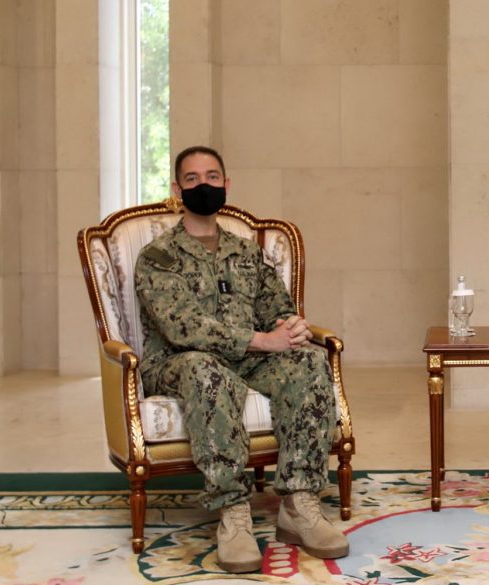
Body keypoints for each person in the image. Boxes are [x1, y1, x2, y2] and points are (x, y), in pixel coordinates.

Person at [134, 146, 349, 572]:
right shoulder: (158, 257)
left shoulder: (247, 252)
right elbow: (183, 329)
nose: (204, 185)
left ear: (226, 185)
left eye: (212, 177)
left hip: (247, 359)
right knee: (206, 371)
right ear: (177, 190)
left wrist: (290, 327)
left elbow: (277, 308)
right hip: (181, 362)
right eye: (192, 179)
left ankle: (299, 504)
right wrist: (264, 340)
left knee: (309, 363)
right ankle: (233, 511)